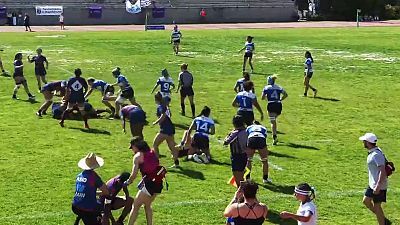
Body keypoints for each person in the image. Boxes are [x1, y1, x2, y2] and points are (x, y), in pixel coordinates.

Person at [125, 137, 167, 225]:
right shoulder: (152, 152)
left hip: (150, 184)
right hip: (158, 182)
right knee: (147, 206)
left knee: (135, 205)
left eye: (132, 147)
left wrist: (128, 182)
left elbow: (134, 174)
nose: (132, 150)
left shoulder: (138, 156)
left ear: (136, 146)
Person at [359, 133, 391, 225]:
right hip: (372, 184)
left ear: (368, 142)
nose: (363, 143)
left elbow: (382, 171)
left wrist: (378, 186)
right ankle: (383, 218)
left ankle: (382, 222)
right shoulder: (374, 152)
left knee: (377, 206)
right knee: (366, 201)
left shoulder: (376, 154)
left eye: (364, 141)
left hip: (378, 185)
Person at [72, 153, 109, 225]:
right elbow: (106, 191)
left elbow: (85, 190)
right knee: (102, 208)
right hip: (87, 208)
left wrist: (95, 192)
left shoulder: (79, 175)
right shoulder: (94, 176)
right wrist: (100, 193)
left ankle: (80, 218)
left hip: (75, 205)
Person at [152, 92, 180, 167]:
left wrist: (156, 122)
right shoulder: (164, 105)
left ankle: (157, 164)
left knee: (155, 144)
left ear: (155, 99)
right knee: (171, 146)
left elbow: (163, 115)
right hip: (170, 128)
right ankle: (176, 163)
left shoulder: (160, 106)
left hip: (165, 129)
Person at [261, 75, 288, 145]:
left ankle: (274, 136)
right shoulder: (278, 87)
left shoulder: (266, 88)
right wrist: (280, 99)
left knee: (272, 122)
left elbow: (262, 97)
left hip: (271, 105)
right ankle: (274, 132)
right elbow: (285, 94)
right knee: (274, 120)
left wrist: (267, 98)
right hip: (278, 105)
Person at [224, 115, 248, 186]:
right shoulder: (246, 131)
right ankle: (243, 192)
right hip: (244, 155)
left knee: (238, 179)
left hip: (237, 156)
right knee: (241, 176)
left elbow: (226, 142)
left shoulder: (235, 132)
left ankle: (242, 194)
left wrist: (229, 135)